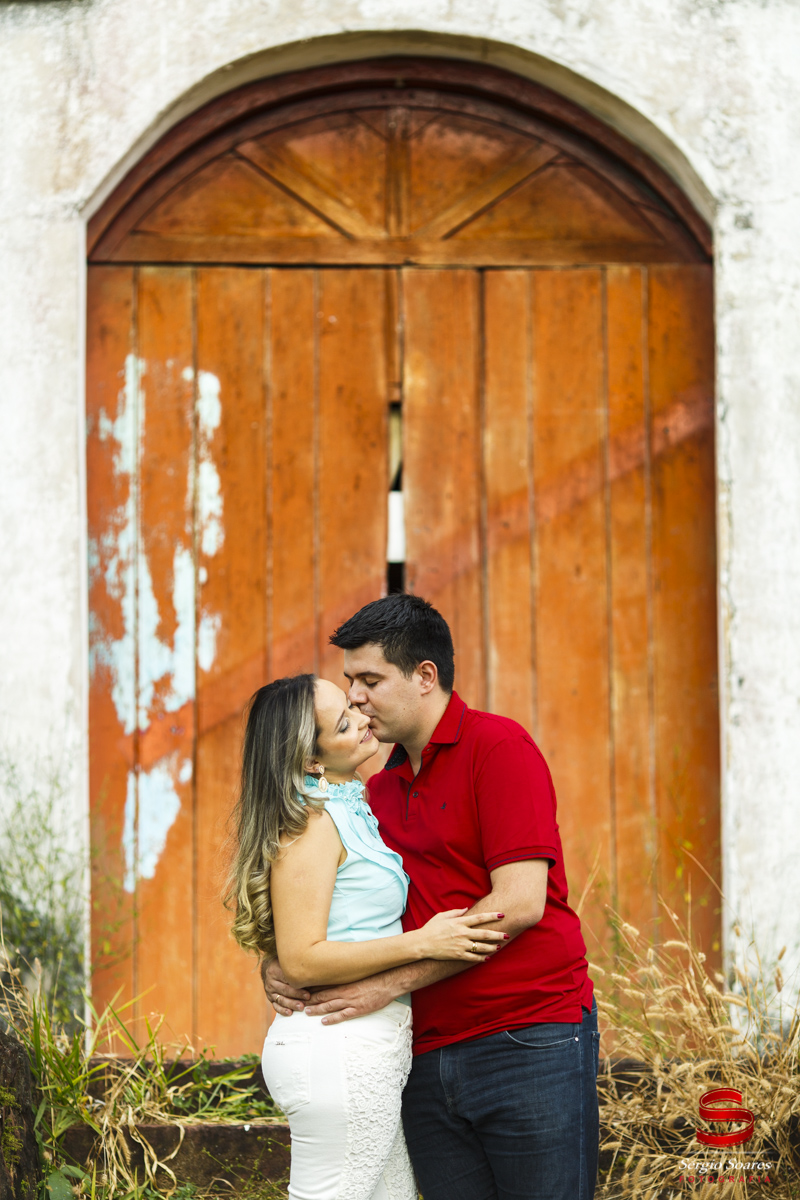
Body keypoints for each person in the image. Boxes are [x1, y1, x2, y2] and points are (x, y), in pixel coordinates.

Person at [264, 594, 600, 1200]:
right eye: (350, 682)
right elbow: (339, 898)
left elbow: (520, 903)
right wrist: (281, 960)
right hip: (422, 1054)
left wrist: (391, 983)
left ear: (425, 677)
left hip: (526, 1035)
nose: (357, 698)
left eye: (370, 680)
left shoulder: (498, 748)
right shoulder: (375, 791)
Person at [225, 672, 507, 1200]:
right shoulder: (313, 825)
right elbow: (303, 959)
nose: (361, 717)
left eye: (350, 705)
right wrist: (424, 942)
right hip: (337, 1047)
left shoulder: (352, 808)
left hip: (368, 1048)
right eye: (342, 722)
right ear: (312, 761)